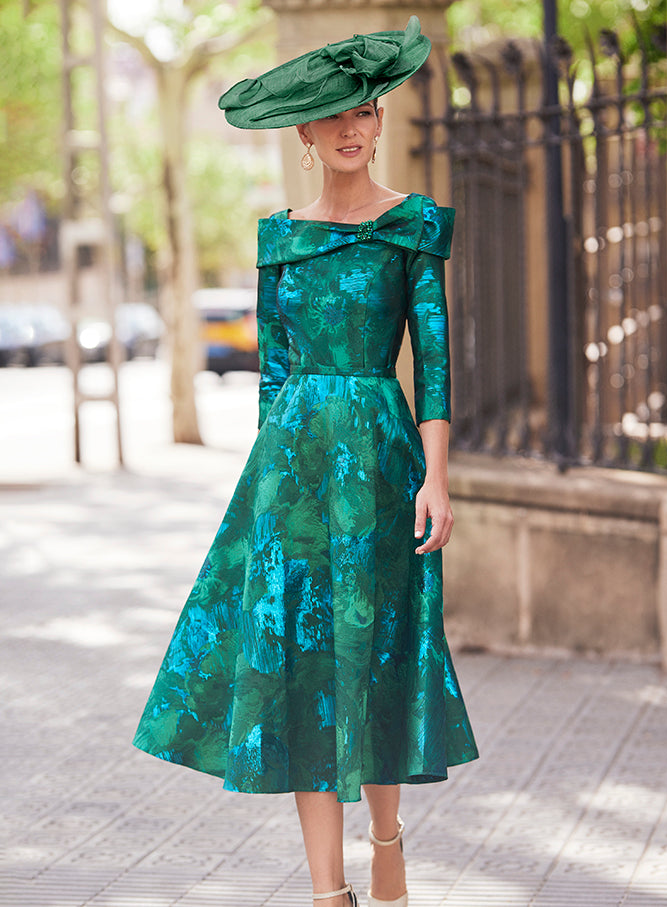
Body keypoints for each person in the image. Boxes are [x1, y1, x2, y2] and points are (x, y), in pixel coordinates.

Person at [133, 17, 478, 907]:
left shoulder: (412, 226)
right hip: (289, 474)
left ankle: (387, 837)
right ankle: (329, 893)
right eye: (334, 116)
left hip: (382, 465)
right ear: (306, 134)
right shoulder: (280, 237)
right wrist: (264, 483)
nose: (352, 128)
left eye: (364, 111)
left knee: (377, 649)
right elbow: (274, 374)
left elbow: (434, 366)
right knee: (300, 661)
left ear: (378, 121)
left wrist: (436, 478)